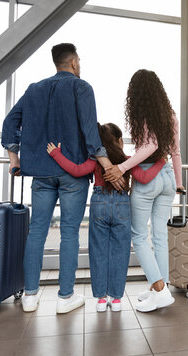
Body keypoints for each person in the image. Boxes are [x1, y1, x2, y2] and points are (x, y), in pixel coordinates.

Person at [1, 43, 121, 314]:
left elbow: (10, 122)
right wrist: (106, 164)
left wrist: (14, 159)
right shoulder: (82, 87)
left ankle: (30, 297)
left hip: (41, 173)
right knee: (69, 233)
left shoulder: (34, 89)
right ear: (74, 62)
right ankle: (64, 297)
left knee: (37, 232)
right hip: (72, 173)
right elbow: (91, 131)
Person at [47, 123, 165, 312]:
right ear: (119, 141)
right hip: (122, 206)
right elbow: (144, 177)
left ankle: (101, 299)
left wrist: (56, 154)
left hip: (99, 204)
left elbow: (76, 170)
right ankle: (116, 299)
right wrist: (161, 162)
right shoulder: (126, 160)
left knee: (98, 252)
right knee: (120, 253)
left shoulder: (96, 160)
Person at [104, 69, 184, 312]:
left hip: (149, 178)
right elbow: (175, 151)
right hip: (168, 177)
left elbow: (150, 145)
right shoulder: (169, 115)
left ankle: (159, 290)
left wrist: (122, 167)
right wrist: (179, 182)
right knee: (159, 235)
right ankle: (160, 289)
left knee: (138, 235)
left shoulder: (143, 113)